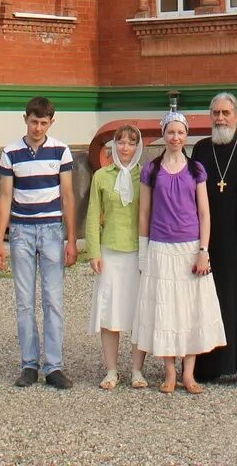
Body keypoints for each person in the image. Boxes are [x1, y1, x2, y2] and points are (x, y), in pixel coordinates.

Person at [132, 110, 227, 393]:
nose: (175, 137)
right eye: (171, 132)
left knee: (190, 309)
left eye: (180, 132)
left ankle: (189, 373)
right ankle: (169, 372)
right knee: (165, 309)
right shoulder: (152, 169)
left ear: (186, 136)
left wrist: (204, 250)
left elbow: (204, 213)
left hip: (189, 247)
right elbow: (145, 212)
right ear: (164, 135)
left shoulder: (196, 169)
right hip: (161, 246)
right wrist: (142, 251)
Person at [0, 96, 78, 389]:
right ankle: (29, 364)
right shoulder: (10, 153)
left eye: (43, 123)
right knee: (25, 302)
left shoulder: (61, 151)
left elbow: (68, 196)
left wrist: (71, 239)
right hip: (21, 231)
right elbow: (4, 197)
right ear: (25, 119)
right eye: (34, 121)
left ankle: (54, 366)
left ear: (51, 122)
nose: (38, 127)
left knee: (53, 301)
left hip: (52, 229)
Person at [188, 91, 237, 384]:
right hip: (209, 240)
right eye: (215, 113)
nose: (220, 118)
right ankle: (209, 366)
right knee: (208, 299)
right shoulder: (201, 150)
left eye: (225, 113)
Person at [85, 124, 148, 390]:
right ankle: (111, 370)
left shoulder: (145, 176)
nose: (125, 148)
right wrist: (94, 252)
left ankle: (137, 370)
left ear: (138, 147)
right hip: (110, 251)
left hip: (137, 252)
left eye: (131, 143)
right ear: (113, 146)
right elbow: (92, 215)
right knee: (110, 312)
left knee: (137, 313)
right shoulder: (101, 176)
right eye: (120, 142)